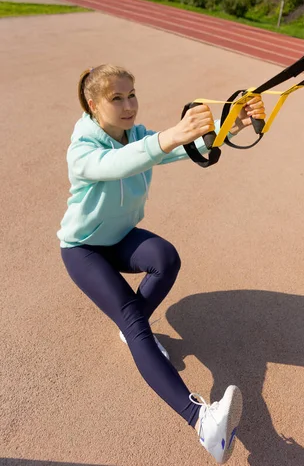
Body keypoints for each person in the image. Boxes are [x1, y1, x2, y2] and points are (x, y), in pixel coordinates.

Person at [57, 63, 267, 464]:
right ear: (92, 104)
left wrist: (231, 125)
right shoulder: (82, 148)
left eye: (131, 94)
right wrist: (170, 136)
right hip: (83, 249)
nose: (128, 104)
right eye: (116, 98)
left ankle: (131, 327)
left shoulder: (136, 134)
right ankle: (202, 422)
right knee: (137, 326)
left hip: (118, 240)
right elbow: (118, 165)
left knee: (164, 258)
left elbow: (185, 149)